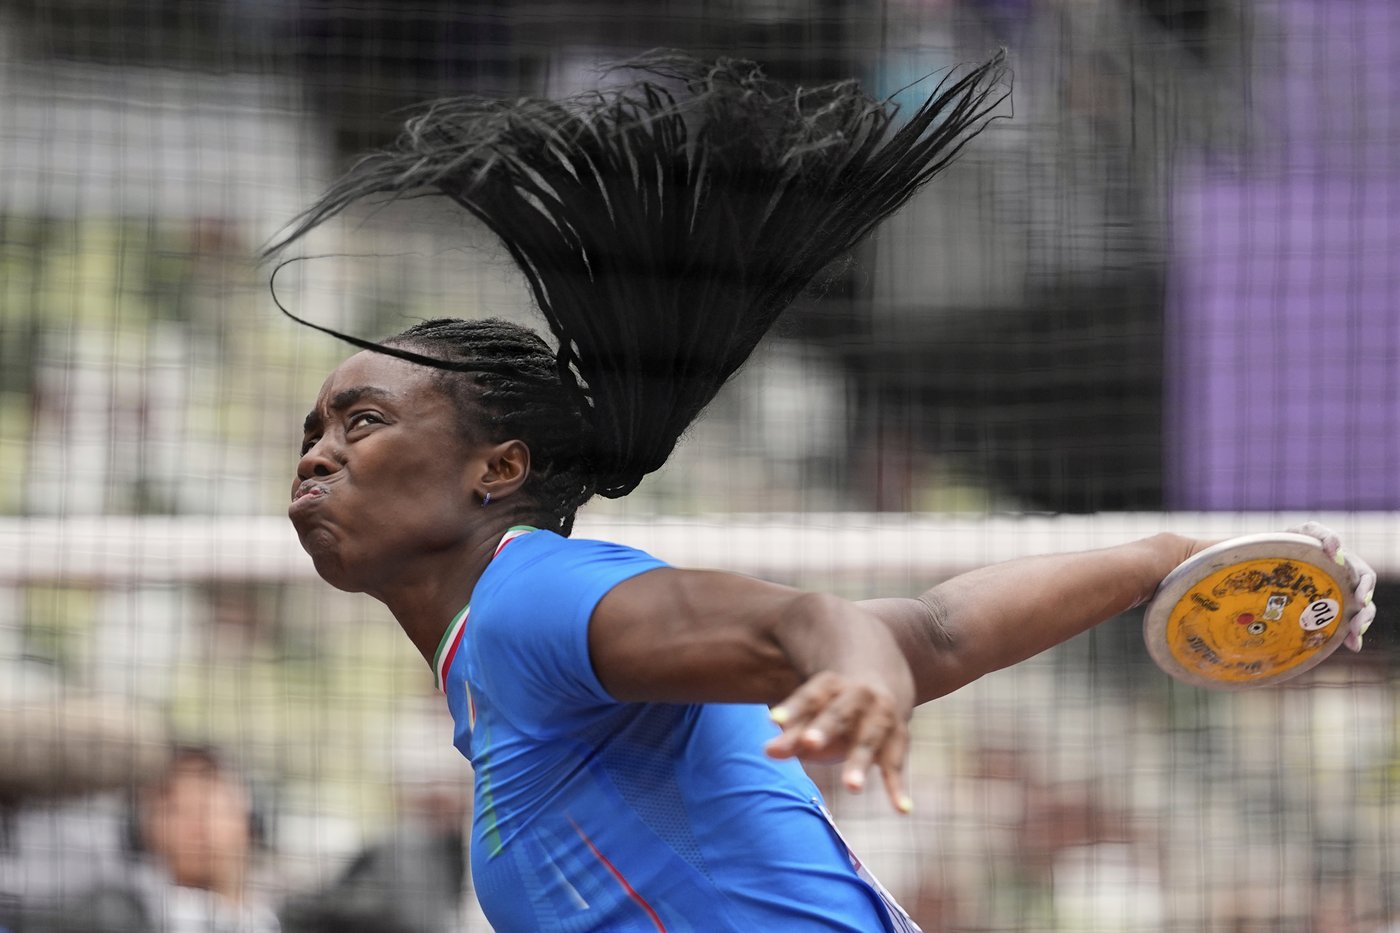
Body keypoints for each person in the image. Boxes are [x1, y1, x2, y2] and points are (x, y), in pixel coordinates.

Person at [266, 52, 1378, 932]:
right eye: (313, 428)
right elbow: (933, 633)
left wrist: (846, 662)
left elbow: (808, 622)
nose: (318, 451)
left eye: (361, 421)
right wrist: (1157, 560)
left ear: (494, 470)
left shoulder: (529, 602)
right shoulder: (521, 657)